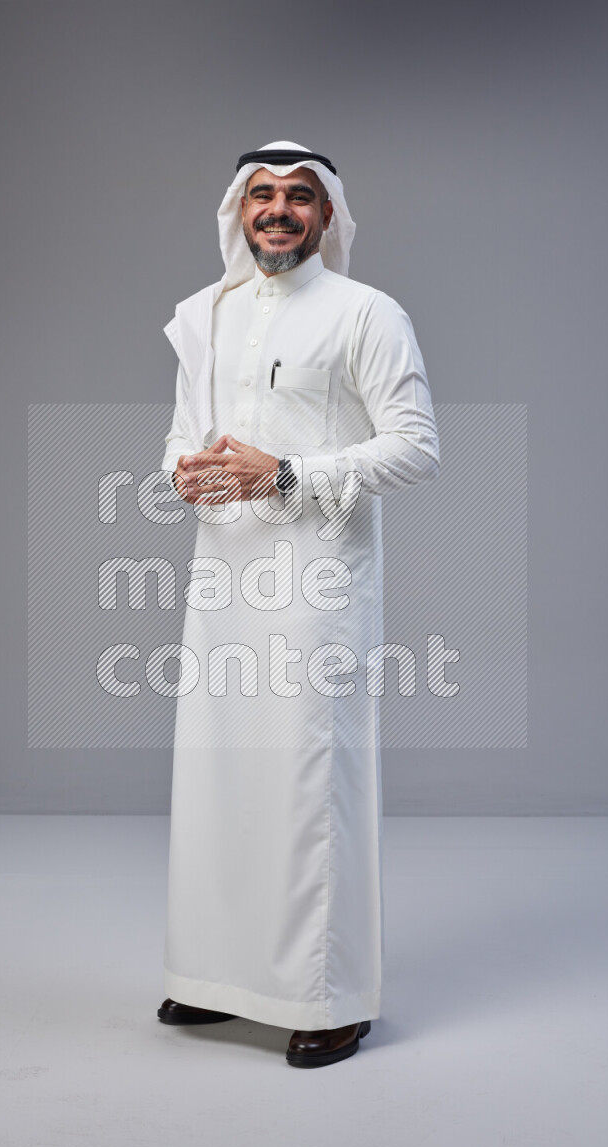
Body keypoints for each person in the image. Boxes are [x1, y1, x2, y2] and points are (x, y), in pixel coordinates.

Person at [157, 141, 440, 1067]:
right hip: (222, 578)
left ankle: (329, 996)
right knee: (218, 774)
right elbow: (178, 440)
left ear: (328, 216)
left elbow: (414, 448)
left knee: (310, 784)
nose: (278, 211)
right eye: (263, 195)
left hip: (318, 582)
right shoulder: (205, 315)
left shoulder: (366, 312)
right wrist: (185, 475)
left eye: (299, 197)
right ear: (240, 209)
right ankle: (213, 977)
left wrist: (284, 472)